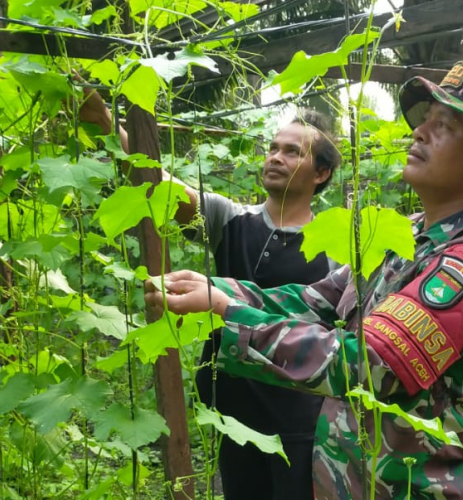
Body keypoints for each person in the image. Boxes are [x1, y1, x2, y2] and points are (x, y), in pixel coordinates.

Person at [144, 61, 463, 499]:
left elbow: (372, 366)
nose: (420, 133)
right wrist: (221, 291)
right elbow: (320, 298)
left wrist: (230, 315)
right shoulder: (407, 235)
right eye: (425, 121)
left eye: (444, 125)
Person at [78, 89, 340, 500]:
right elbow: (158, 185)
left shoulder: (335, 247)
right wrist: (105, 121)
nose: (275, 157)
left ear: (321, 173)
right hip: (231, 407)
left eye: (292, 152)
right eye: (272, 148)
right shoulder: (229, 218)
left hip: (297, 417)